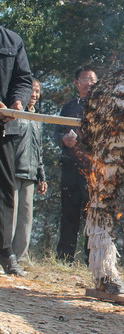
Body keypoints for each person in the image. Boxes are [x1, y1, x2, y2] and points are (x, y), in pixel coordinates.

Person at [54, 67, 97, 263]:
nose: (89, 83)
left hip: (93, 169)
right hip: (70, 166)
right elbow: (56, 133)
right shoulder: (69, 106)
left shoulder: (102, 105)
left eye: (93, 80)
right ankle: (64, 258)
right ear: (76, 83)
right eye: (85, 79)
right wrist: (64, 139)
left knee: (93, 215)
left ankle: (92, 259)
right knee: (69, 213)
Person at [0, 25, 33, 276]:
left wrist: (17, 101)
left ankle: (5, 252)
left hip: (5, 127)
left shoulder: (12, 40)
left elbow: (23, 79)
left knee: (4, 193)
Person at [11, 78, 47, 262]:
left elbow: (39, 149)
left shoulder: (38, 119)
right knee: (10, 216)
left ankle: (21, 258)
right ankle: (5, 256)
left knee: (26, 218)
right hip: (12, 172)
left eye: (37, 91)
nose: (34, 94)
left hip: (30, 175)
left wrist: (42, 176)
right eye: (32, 90)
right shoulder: (14, 114)